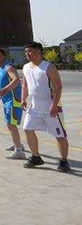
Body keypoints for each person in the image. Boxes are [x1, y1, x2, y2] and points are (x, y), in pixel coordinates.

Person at [21, 42, 70, 172]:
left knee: (59, 135)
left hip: (51, 108)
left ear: (38, 52)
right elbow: (25, 85)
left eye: (30, 51)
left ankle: (64, 161)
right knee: (27, 129)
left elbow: (58, 87)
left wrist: (54, 104)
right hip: (34, 108)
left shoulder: (48, 67)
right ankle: (36, 157)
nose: (27, 54)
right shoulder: (25, 67)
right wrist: (23, 99)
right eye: (26, 52)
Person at [0, 49, 25, 159]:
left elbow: (16, 80)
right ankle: (18, 144)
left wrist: (6, 89)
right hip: (6, 102)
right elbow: (0, 87)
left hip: (13, 101)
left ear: (4, 57)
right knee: (9, 124)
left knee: (11, 124)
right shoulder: (0, 69)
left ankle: (19, 151)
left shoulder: (8, 67)